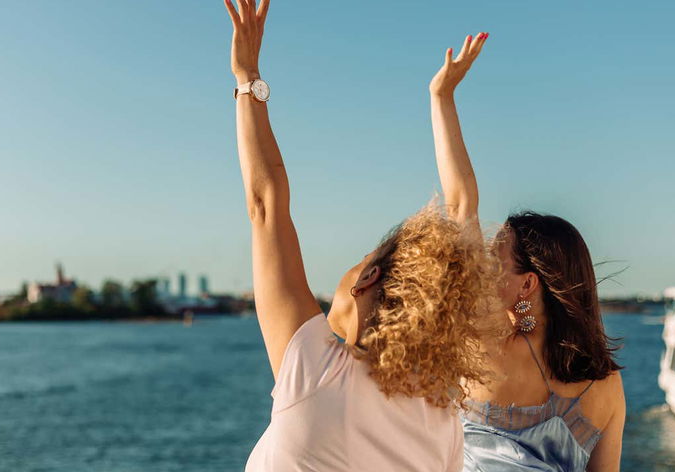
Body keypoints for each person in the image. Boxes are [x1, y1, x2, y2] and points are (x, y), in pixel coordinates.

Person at [223, 1, 498, 470]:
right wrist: (441, 97)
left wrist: (247, 77)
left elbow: (267, 204)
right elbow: (462, 217)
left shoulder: (315, 371)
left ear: (367, 277)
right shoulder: (440, 418)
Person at [428, 32, 626, 471]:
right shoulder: (605, 385)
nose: (481, 261)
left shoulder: (483, 349)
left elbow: (461, 204)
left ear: (527, 282)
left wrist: (440, 96)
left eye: (495, 254)